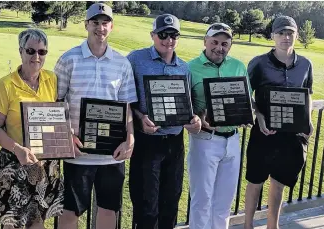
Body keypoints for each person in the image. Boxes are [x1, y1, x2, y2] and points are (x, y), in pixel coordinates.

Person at [55, 3, 137, 229]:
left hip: (111, 153)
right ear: (86, 25)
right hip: (78, 152)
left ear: (111, 27)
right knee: (71, 210)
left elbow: (127, 107)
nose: (100, 28)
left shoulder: (122, 63)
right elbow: (56, 102)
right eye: (95, 22)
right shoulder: (69, 59)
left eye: (105, 23)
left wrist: (130, 137)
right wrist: (66, 135)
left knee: (109, 210)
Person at [127, 13, 201, 229]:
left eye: (174, 35)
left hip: (175, 142)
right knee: (146, 206)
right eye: (163, 34)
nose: (168, 40)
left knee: (171, 202)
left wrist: (194, 119)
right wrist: (140, 118)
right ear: (153, 35)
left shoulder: (184, 68)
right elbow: (125, 99)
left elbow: (187, 106)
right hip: (147, 143)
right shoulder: (135, 60)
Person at [0, 28, 63, 229]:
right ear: (21, 51)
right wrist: (17, 150)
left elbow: (57, 118)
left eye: (42, 52)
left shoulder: (52, 79)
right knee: (13, 222)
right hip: (15, 163)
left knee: (38, 221)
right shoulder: (6, 84)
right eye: (30, 51)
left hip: (44, 164)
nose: (36, 57)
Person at [244, 16, 313, 229]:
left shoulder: (305, 65)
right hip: (264, 132)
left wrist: (308, 120)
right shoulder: (258, 63)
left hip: (291, 135)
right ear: (272, 36)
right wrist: (260, 116)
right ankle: (248, 226)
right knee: (255, 182)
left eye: (290, 32)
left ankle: (272, 226)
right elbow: (246, 96)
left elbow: (307, 94)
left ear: (296, 35)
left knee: (279, 184)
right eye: (281, 33)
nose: (285, 37)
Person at [187, 23, 249, 229]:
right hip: (205, 140)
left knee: (224, 203)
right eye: (214, 42)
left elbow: (245, 99)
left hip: (232, 139)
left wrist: (244, 114)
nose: (219, 48)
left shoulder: (239, 66)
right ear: (205, 41)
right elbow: (185, 106)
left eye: (225, 43)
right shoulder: (190, 68)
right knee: (201, 201)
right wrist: (197, 117)